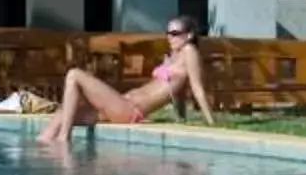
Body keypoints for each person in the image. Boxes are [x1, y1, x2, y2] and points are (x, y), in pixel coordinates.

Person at [36, 18, 214, 149]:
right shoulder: (174, 56)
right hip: (123, 103)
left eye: (175, 34)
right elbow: (177, 92)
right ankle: (44, 148)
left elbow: (197, 88)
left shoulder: (190, 51)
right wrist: (181, 117)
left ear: (189, 35)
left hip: (130, 110)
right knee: (64, 111)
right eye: (168, 33)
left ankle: (64, 139)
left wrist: (211, 122)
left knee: (74, 75)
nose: (169, 37)